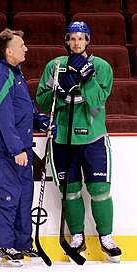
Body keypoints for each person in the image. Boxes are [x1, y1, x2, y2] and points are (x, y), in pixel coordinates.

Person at [36, 21, 122, 263]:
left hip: (93, 137)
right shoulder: (55, 66)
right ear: (66, 41)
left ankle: (106, 237)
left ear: (88, 41)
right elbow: (43, 101)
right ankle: (77, 236)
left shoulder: (102, 67)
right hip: (62, 138)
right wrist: (60, 95)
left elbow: (98, 99)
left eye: (81, 38)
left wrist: (87, 77)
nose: (76, 43)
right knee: (70, 191)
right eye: (71, 38)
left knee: (99, 190)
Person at [0, 28, 57, 266]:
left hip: (23, 148)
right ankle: (3, 245)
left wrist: (40, 120)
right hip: (9, 151)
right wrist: (16, 149)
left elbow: (24, 107)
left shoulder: (15, 73)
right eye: (22, 44)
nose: (26, 48)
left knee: (25, 197)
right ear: (8, 50)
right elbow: (4, 117)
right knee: (8, 196)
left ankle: (22, 243)